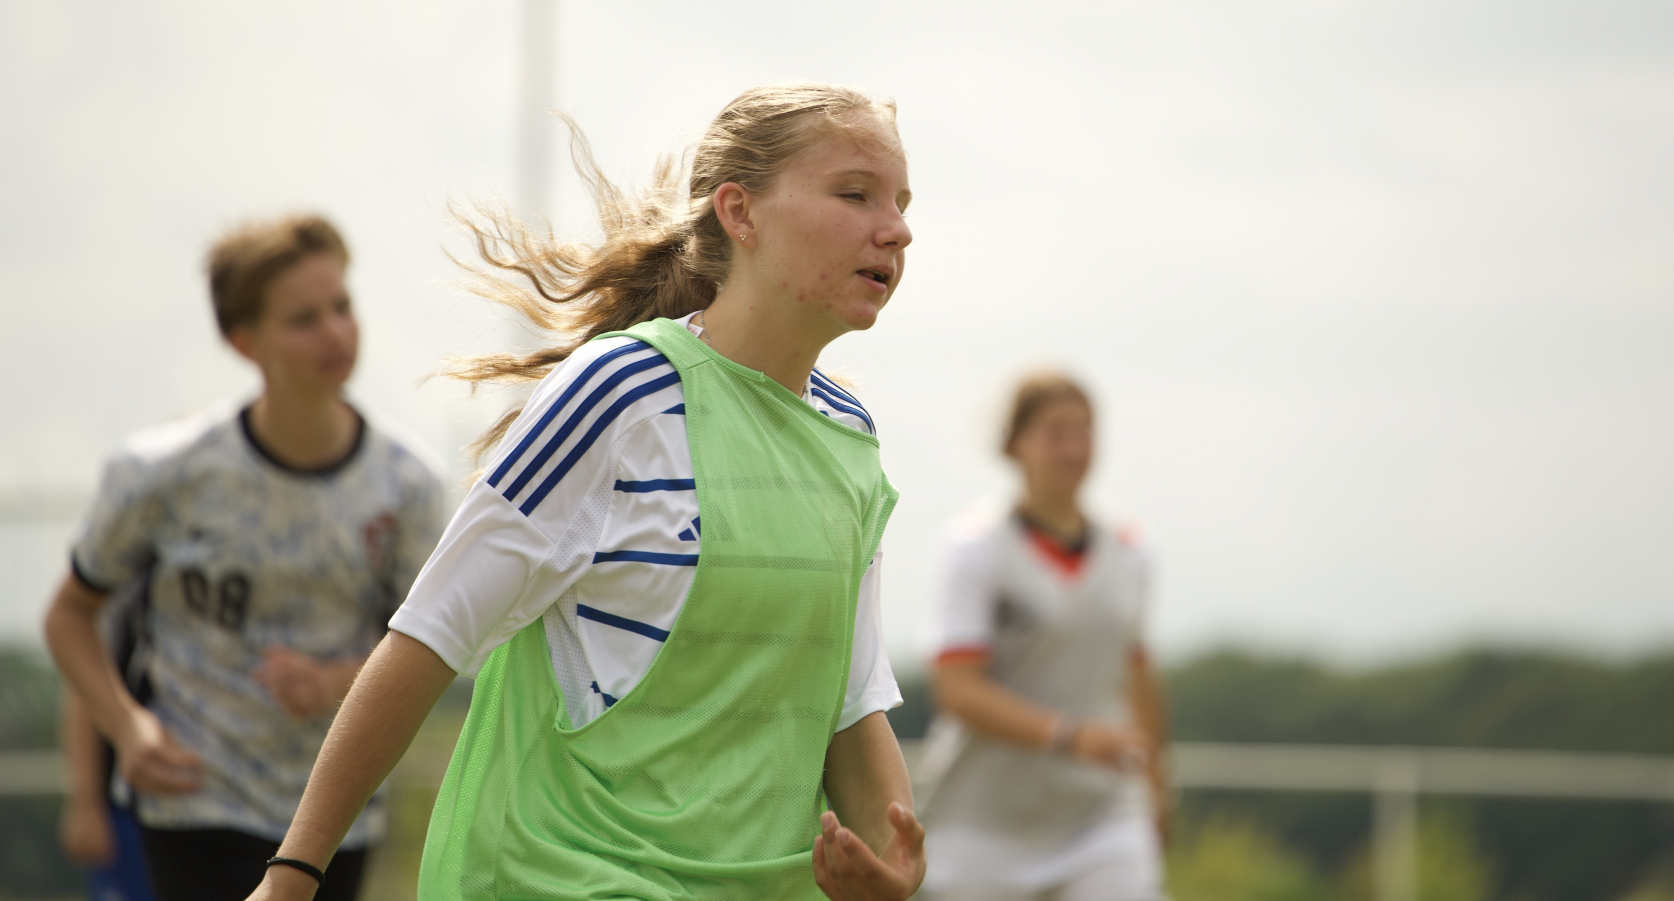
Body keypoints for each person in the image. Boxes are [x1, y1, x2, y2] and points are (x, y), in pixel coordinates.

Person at [237, 84, 926, 901]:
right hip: (568, 878)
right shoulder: (619, 392)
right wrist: (294, 873)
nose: (896, 228)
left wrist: (894, 863)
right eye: (855, 194)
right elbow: (428, 636)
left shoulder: (849, 436)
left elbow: (849, 700)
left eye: (901, 203)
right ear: (740, 213)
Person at [43, 215, 446, 901]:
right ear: (243, 341)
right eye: (304, 319)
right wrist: (128, 728)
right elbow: (69, 617)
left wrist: (336, 681)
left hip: (334, 812)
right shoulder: (162, 472)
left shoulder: (408, 485)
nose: (335, 332)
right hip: (193, 799)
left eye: (342, 306)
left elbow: (430, 652)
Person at [916, 372, 1167, 901]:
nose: (1074, 448)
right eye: (1056, 432)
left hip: (1101, 815)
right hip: (980, 822)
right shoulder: (975, 546)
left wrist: (1158, 791)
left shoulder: (1131, 550)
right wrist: (1072, 736)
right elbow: (957, 689)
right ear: (1014, 443)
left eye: (1084, 431)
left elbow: (1136, 673)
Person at [58, 579, 156, 901]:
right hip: (127, 808)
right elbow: (84, 691)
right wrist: (86, 802)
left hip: (237, 807)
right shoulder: (128, 576)